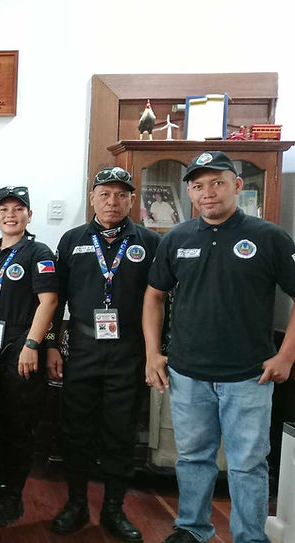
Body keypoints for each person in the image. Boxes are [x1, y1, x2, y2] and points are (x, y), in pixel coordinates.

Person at [143, 151, 295, 543]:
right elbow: (154, 296)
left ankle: (250, 537)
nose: (207, 192)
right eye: (198, 186)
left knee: (247, 463)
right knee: (193, 458)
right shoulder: (176, 238)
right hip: (187, 373)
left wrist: (286, 355)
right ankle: (192, 528)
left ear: (237, 185)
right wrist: (152, 353)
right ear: (190, 193)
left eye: (217, 183)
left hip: (249, 376)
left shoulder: (269, 237)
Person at [46, 167, 160, 542]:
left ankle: (114, 509)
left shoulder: (149, 242)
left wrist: (155, 353)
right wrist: (52, 344)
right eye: (105, 194)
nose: (113, 201)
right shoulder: (72, 240)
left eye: (121, 195)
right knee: (75, 429)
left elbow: (160, 300)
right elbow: (55, 299)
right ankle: (76, 504)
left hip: (129, 351)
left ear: (132, 200)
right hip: (82, 348)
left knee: (120, 433)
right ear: (93, 198)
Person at [0, 186, 57, 526]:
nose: (10, 214)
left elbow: (49, 301)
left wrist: (32, 345)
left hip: (21, 351)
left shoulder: (39, 252)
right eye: (4, 209)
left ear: (29, 215)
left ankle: (13, 497)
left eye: (18, 209)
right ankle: (0, 489)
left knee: (18, 428)